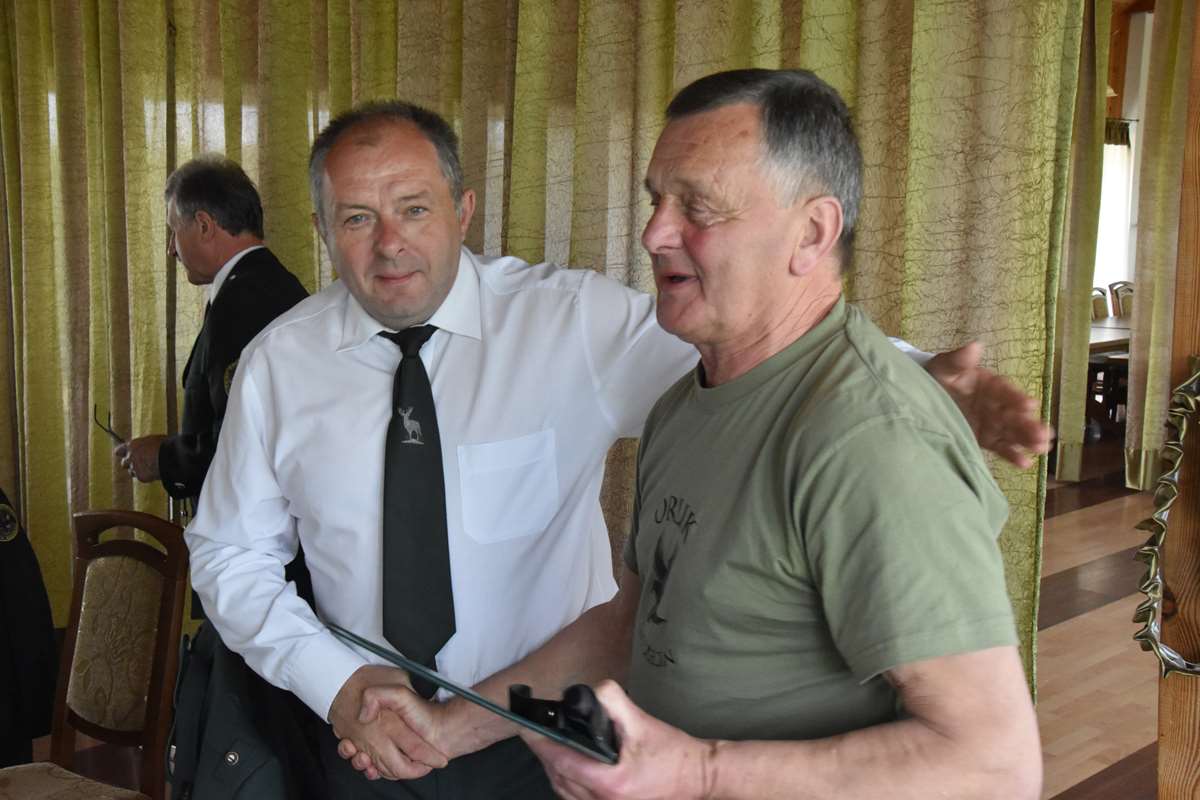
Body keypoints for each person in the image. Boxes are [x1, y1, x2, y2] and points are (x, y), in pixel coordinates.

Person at [186, 99, 1048, 799]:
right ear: (321, 226)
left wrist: (922, 376)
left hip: (549, 740)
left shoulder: (569, 325)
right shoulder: (278, 365)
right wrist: (334, 681)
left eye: (414, 208)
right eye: (357, 218)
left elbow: (777, 359)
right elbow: (229, 552)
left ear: (463, 209)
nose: (390, 243)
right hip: (366, 740)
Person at [115, 157, 307, 503]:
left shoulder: (244, 300)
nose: (171, 249)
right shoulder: (263, 283)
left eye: (174, 231)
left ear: (204, 225)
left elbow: (241, 444)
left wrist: (163, 457)